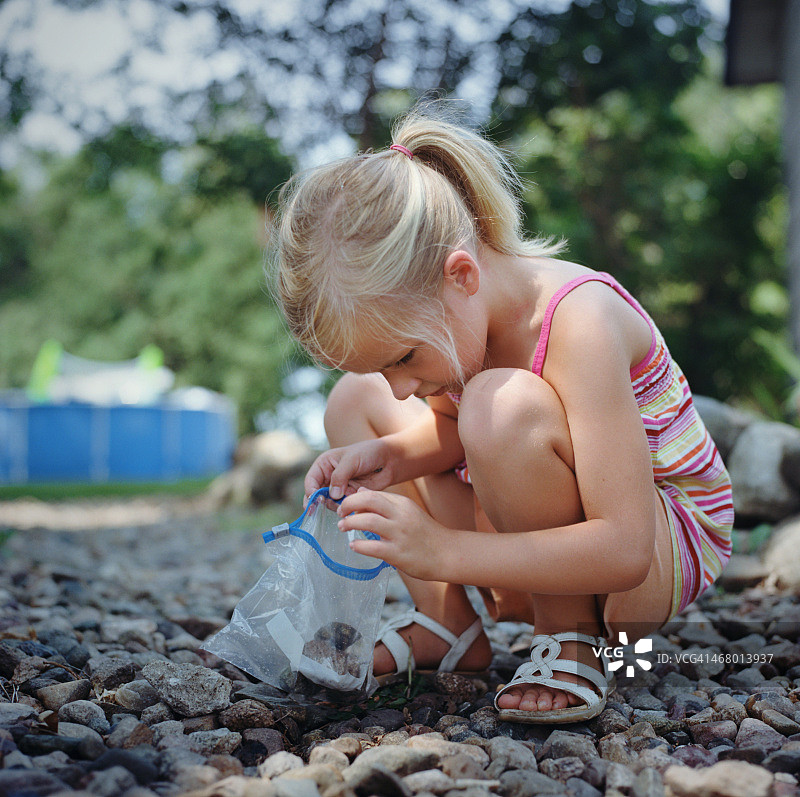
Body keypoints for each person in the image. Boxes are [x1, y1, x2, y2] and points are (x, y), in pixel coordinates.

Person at [269, 103, 733, 724]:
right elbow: (452, 432)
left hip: (654, 544)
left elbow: (626, 549)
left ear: (459, 274)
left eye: (403, 358)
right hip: (545, 518)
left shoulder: (578, 320)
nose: (401, 389)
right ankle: (448, 624)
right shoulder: (455, 323)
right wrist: (392, 456)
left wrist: (443, 549)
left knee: (498, 402)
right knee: (354, 399)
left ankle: (570, 635)